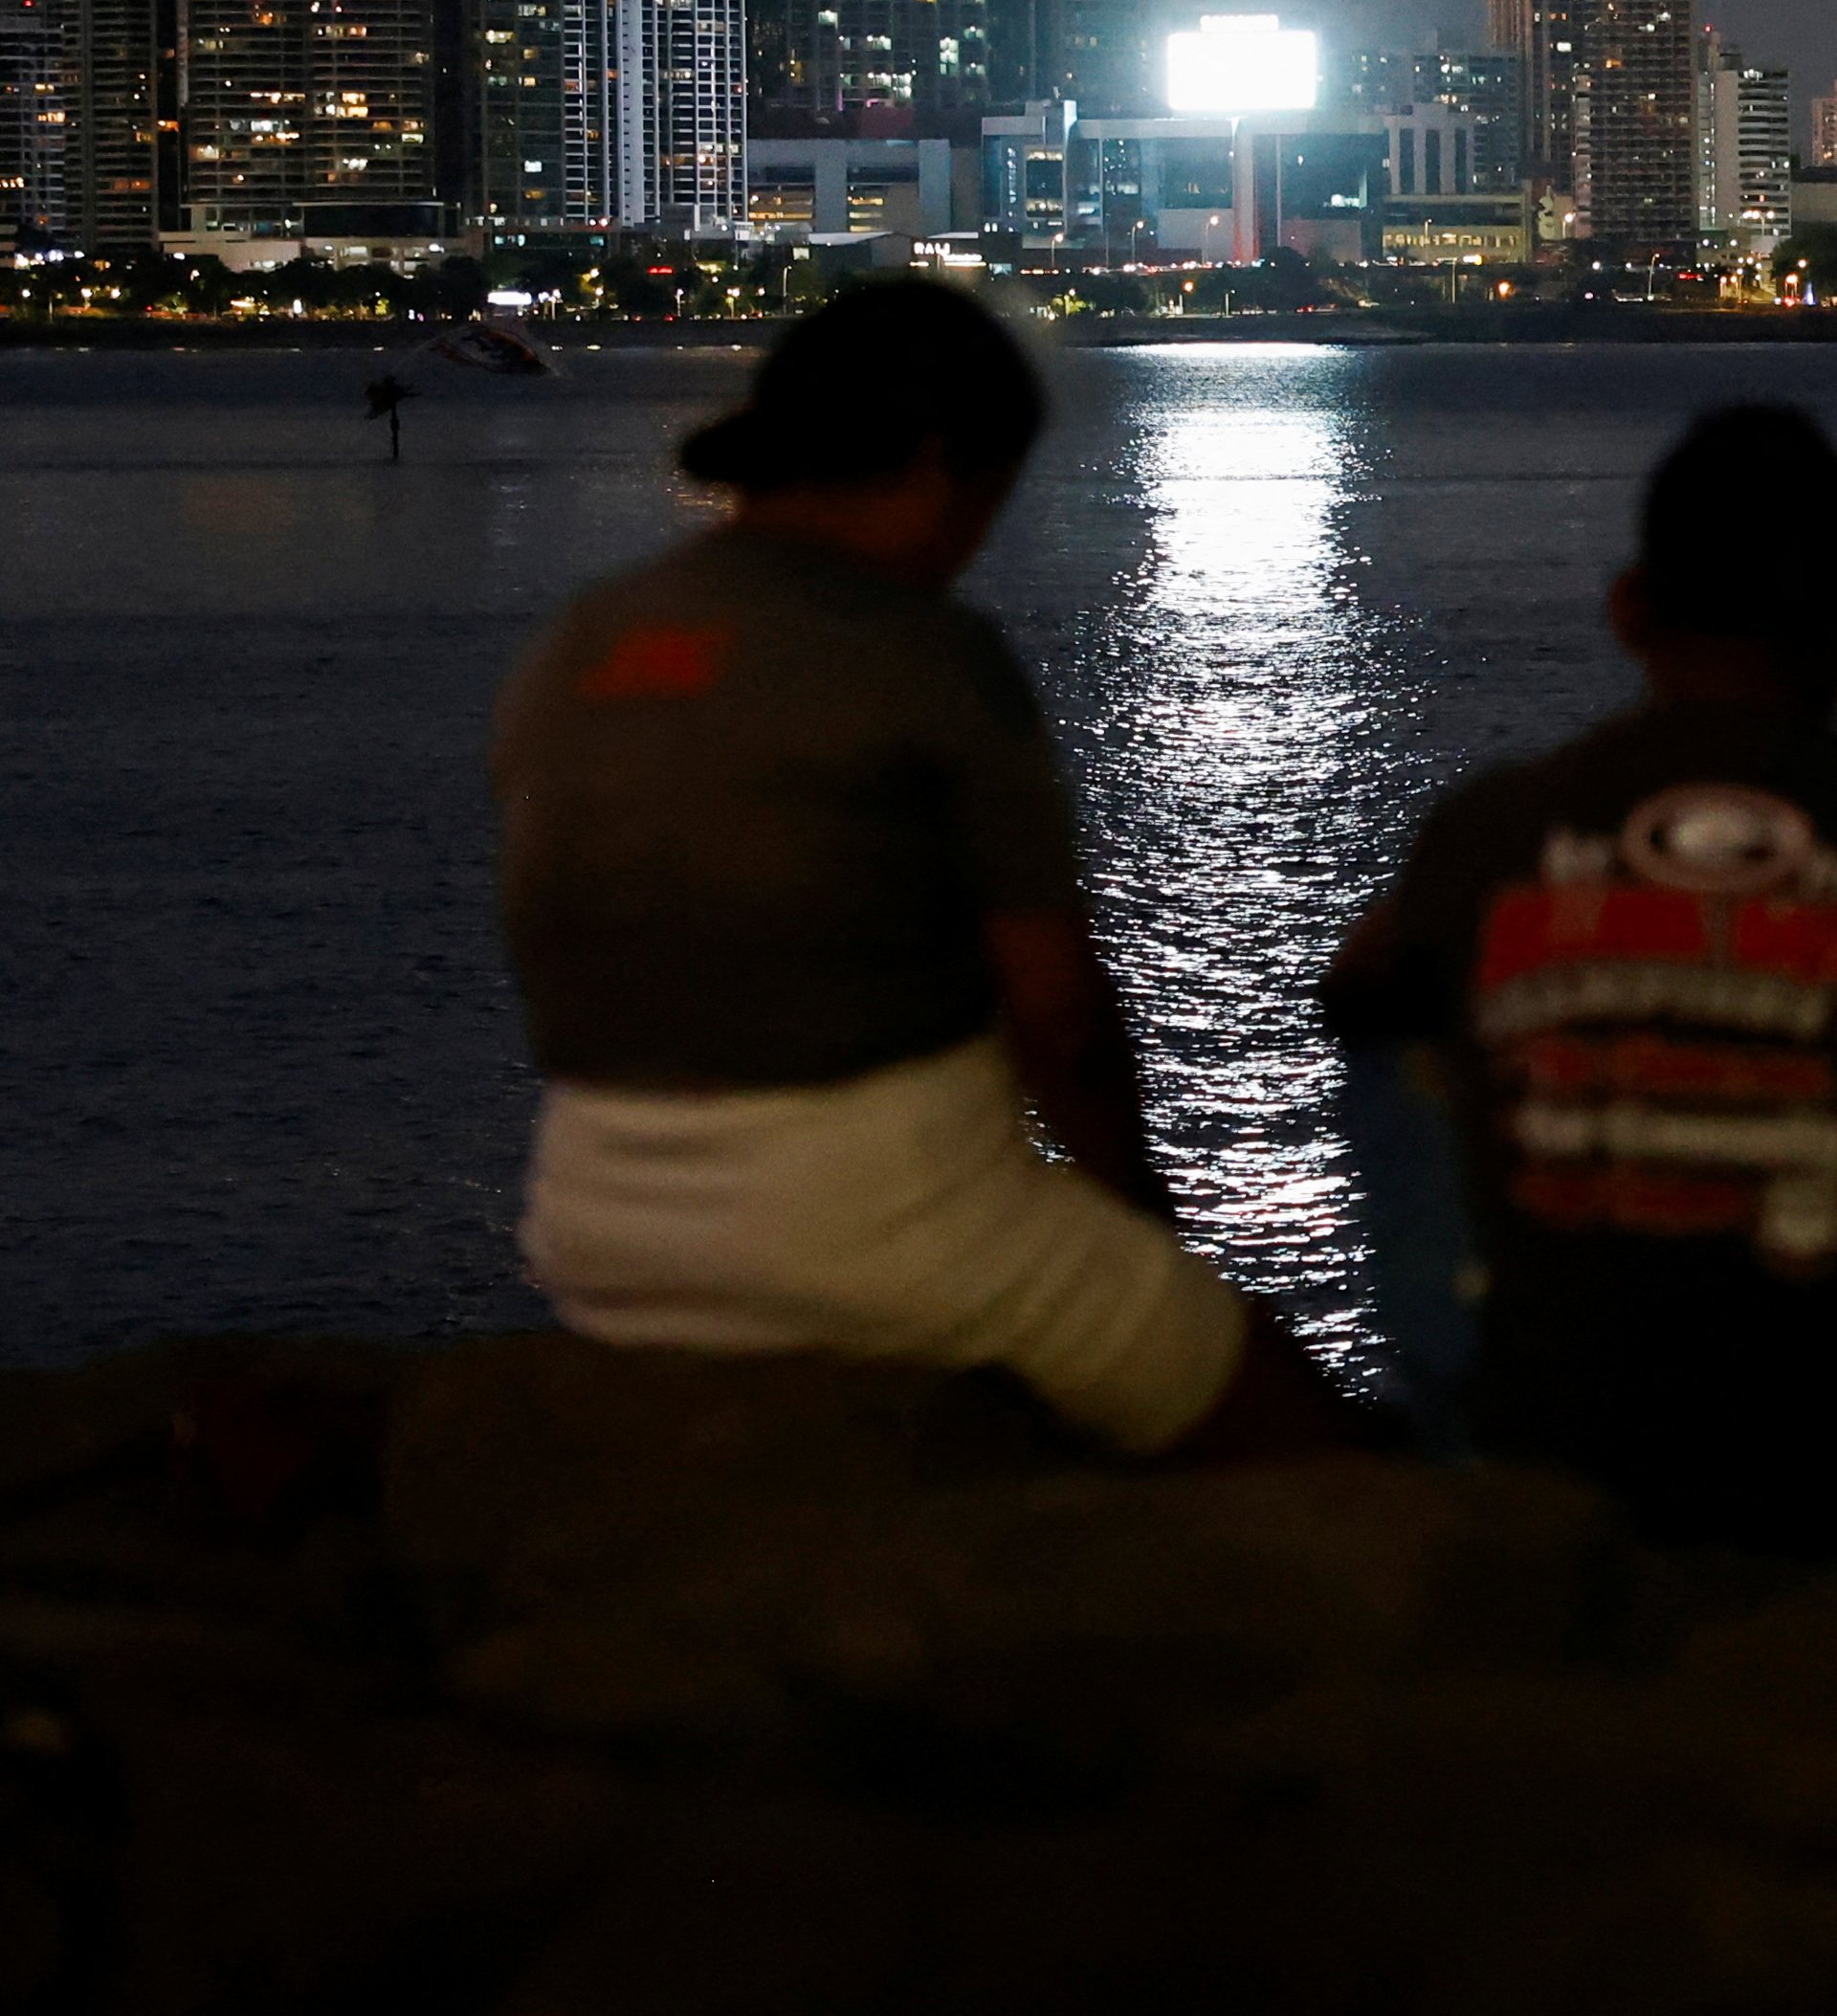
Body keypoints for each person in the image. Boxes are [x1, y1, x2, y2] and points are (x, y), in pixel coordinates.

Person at [488, 279, 1352, 1460]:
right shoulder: (921, 652)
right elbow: (1060, 1022)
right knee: (1295, 1437)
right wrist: (1152, 1246)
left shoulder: (578, 639)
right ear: (940, 465)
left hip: (591, 1224)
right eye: (989, 498)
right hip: (864, 1221)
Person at [1322, 402, 1837, 1597]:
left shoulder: (1489, 828)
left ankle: (1467, 1398)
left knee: (1401, 1018)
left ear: (1628, 610)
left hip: (1559, 1450)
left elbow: (1354, 997)